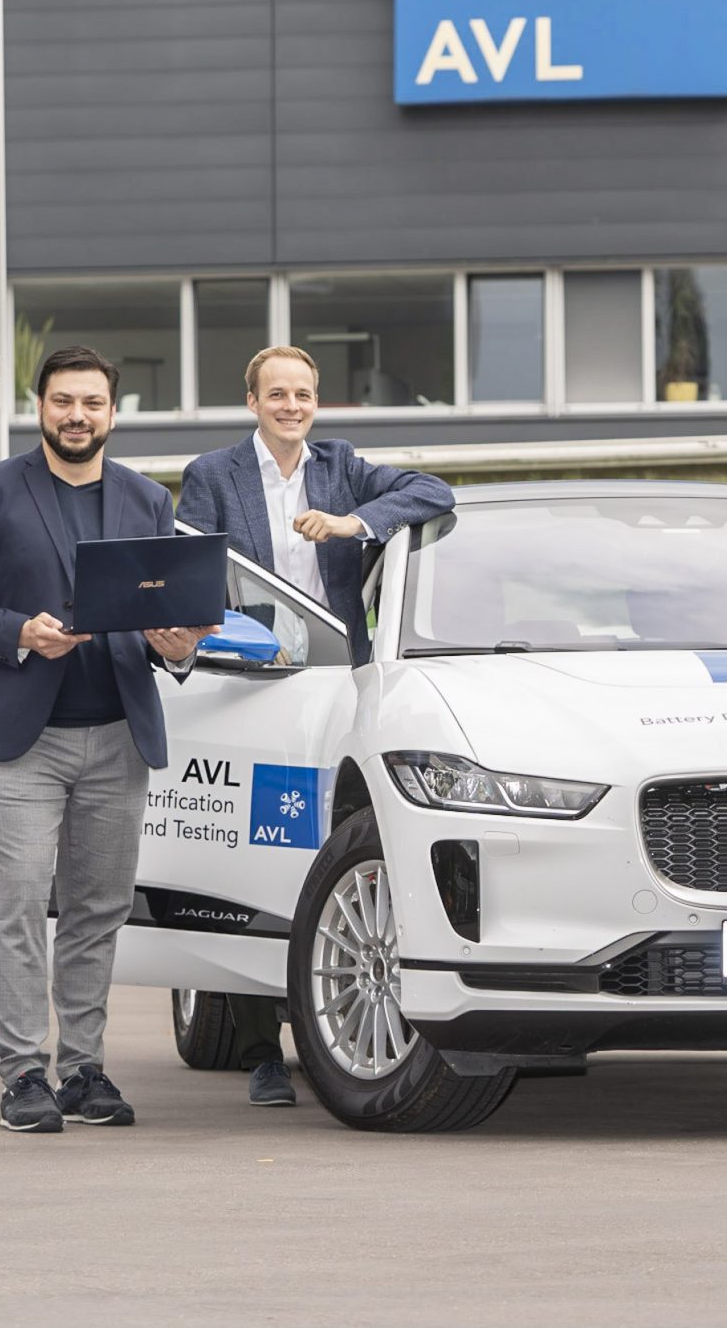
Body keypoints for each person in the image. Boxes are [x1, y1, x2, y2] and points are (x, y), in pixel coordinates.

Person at [0, 346, 215, 1135]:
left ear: (113, 413)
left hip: (118, 731)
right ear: (41, 407)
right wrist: (19, 630)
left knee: (98, 907)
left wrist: (178, 643)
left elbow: (173, 613)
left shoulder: (146, 499)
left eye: (92, 402)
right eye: (63, 402)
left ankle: (84, 1067)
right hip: (24, 738)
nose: (77, 415)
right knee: (20, 901)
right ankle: (23, 1069)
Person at [176, 343, 455, 1106]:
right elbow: (193, 572)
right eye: (277, 394)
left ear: (315, 401)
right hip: (249, 683)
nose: (291, 406)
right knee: (251, 859)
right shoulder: (212, 476)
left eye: (302, 393)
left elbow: (436, 492)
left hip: (338, 686)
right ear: (252, 400)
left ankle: (319, 1025)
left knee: (320, 854)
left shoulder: (342, 466)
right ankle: (265, 1051)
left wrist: (353, 521)